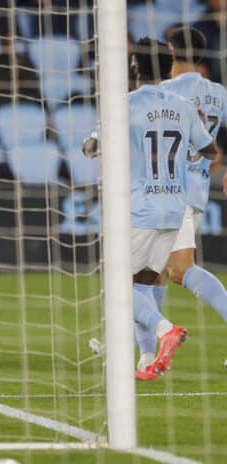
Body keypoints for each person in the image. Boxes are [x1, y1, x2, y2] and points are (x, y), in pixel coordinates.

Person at [83, 37, 216, 380]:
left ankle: (163, 329)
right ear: (168, 68)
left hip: (139, 207)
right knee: (142, 283)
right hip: (174, 208)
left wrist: (93, 145)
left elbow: (93, 146)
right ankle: (145, 361)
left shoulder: (124, 104)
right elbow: (211, 151)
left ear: (134, 67)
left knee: (116, 282)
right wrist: (189, 149)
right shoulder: (185, 106)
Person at [135, 28, 227, 372]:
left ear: (171, 54)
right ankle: (147, 352)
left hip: (166, 190)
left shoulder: (165, 92)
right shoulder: (218, 92)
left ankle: (148, 347)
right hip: (198, 190)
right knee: (154, 274)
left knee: (172, 270)